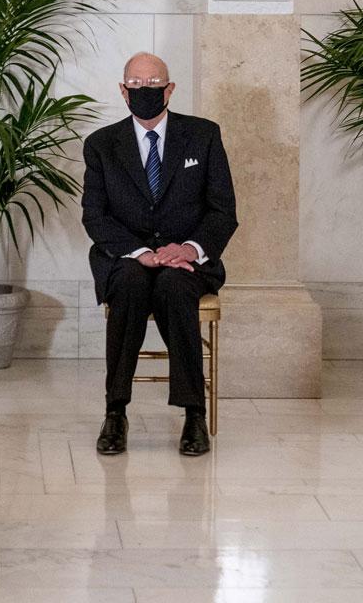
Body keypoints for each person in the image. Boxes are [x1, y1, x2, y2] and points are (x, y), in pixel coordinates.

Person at [81, 52, 237, 457]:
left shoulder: (203, 135)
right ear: (122, 89)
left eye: (153, 84)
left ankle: (193, 414)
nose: (144, 90)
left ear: (170, 89)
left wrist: (189, 248)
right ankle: (115, 412)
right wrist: (138, 252)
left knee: (173, 287)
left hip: (187, 261)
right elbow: (94, 216)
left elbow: (223, 210)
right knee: (131, 284)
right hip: (127, 259)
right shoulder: (101, 145)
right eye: (135, 84)